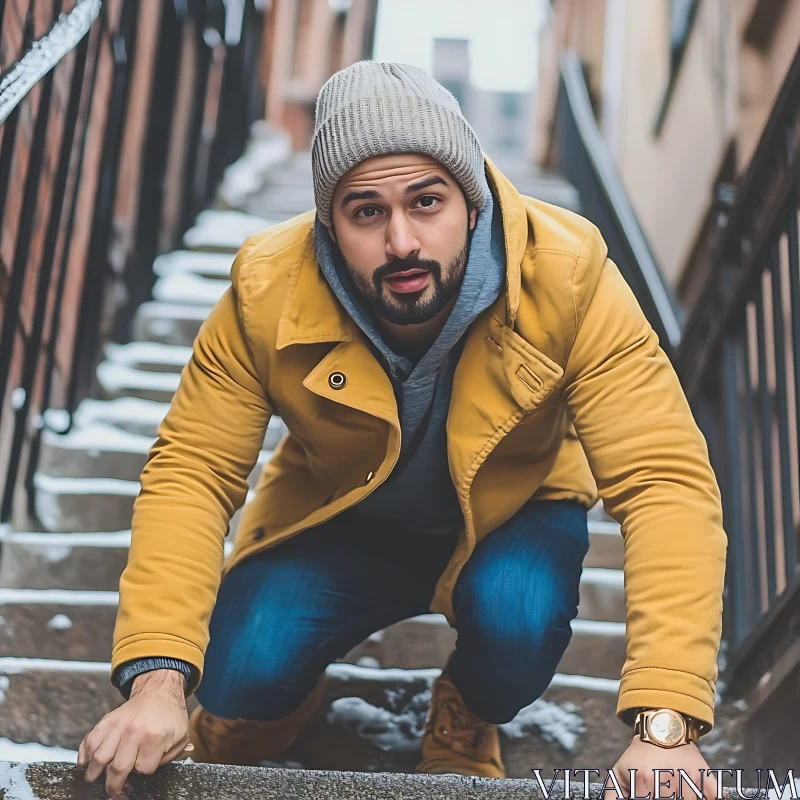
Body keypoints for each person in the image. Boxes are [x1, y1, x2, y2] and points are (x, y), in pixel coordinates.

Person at [78, 61, 726, 799]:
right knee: (238, 670)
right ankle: (274, 707)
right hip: (348, 513)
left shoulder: (568, 272)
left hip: (516, 514)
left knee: (517, 619)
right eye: (365, 212)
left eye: (427, 202)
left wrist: (665, 728)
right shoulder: (267, 288)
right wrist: (158, 685)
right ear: (329, 224)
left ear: (472, 202)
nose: (402, 242)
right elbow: (192, 470)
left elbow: (664, 478)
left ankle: (466, 713)